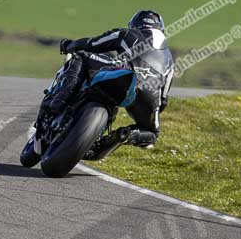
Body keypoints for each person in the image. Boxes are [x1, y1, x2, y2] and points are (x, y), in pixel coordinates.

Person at [43, 9, 174, 158]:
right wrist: (148, 109)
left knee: (81, 56)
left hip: (125, 75)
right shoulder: (169, 58)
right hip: (150, 94)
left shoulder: (126, 33)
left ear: (135, 24)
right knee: (152, 133)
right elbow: (163, 99)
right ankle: (124, 135)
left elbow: (93, 44)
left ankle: (58, 101)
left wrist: (70, 44)